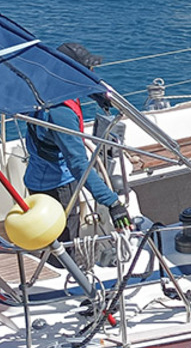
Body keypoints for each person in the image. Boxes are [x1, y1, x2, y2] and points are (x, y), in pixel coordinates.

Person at [25, 42, 131, 244]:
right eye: (87, 70)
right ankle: (68, 272)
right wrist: (112, 203)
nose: (92, 73)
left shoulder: (46, 88)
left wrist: (96, 94)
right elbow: (78, 165)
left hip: (38, 175)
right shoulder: (61, 115)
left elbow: (70, 86)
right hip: (56, 187)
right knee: (65, 245)